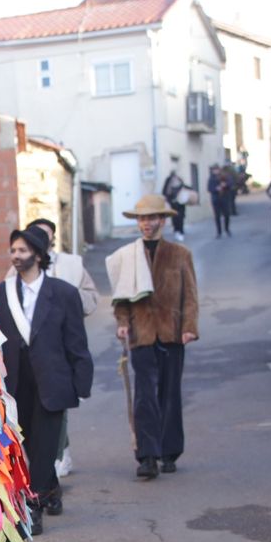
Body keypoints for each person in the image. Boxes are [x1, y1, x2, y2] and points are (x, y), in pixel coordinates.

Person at [0, 226, 92, 535]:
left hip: (52, 381)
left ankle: (33, 508)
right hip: (17, 384)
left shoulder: (63, 293)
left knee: (46, 447)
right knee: (26, 446)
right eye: (13, 251)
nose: (16, 256)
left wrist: (80, 383)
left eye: (21, 251)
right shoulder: (0, 293)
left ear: (38, 254)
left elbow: (76, 342)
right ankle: (49, 490)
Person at [107, 194, 199, 480]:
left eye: (151, 218)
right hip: (142, 332)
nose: (146, 224)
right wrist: (122, 322)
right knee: (145, 396)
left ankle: (169, 451)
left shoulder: (180, 254)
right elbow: (121, 297)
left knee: (169, 392)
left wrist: (189, 327)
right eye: (142, 219)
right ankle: (147, 455)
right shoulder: (127, 255)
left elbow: (190, 295)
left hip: (172, 332)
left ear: (163, 220)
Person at [24, 217, 98, 479]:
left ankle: (59, 452)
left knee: (56, 404)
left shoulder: (71, 264)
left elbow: (91, 296)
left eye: (46, 235)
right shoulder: (19, 268)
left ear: (53, 239)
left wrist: (65, 302)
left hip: (61, 349)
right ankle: (46, 459)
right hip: (31, 354)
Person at [207, 165, 236, 237]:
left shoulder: (225, 176)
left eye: (216, 169)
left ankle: (227, 229)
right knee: (217, 216)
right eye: (214, 170)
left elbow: (231, 183)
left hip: (224, 198)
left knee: (227, 214)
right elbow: (209, 188)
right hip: (216, 199)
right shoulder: (211, 178)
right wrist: (216, 189)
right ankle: (219, 232)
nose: (215, 171)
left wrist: (225, 185)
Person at [161, 169, 189, 241]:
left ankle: (181, 232)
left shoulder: (180, 182)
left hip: (180, 204)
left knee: (181, 217)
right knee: (175, 218)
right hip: (173, 203)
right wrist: (167, 200)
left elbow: (186, 188)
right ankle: (177, 231)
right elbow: (164, 192)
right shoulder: (168, 182)